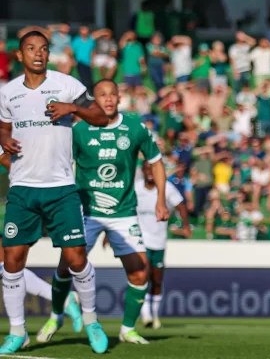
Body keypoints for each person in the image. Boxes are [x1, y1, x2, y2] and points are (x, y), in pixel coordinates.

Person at [0, 31, 110, 353]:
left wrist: (71, 109)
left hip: (61, 188)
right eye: (31, 49)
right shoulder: (8, 93)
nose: (38, 53)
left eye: (44, 49)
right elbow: (4, 129)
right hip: (22, 189)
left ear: (49, 55)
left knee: (77, 258)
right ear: (19, 56)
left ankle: (91, 321)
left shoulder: (67, 85)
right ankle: (17, 332)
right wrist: (4, 141)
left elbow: (101, 117)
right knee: (12, 261)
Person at [38, 79, 169, 345]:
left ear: (119, 98)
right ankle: (56, 314)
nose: (108, 99)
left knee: (140, 272)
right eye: (102, 95)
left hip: (123, 213)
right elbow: (60, 168)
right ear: (94, 101)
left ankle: (128, 329)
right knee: (65, 267)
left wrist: (161, 200)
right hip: (86, 212)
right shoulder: (80, 130)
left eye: (112, 94)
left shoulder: (134, 128)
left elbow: (156, 163)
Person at [0, 152, 83, 331]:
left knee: (8, 264)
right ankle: (63, 299)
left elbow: (10, 164)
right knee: (5, 266)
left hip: (13, 200)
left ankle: (20, 329)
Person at [138, 161, 191, 330]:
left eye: (152, 169)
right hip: (140, 240)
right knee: (143, 275)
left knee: (157, 279)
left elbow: (181, 206)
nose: (150, 172)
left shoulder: (166, 188)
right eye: (147, 169)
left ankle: (154, 315)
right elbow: (123, 207)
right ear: (143, 171)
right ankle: (145, 314)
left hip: (159, 240)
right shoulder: (136, 188)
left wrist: (186, 225)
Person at [71, 26, 96, 90]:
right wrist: (73, 59)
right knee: (83, 77)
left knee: (90, 78)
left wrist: (92, 60)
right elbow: (72, 51)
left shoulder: (91, 40)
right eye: (83, 30)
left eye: (85, 30)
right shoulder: (76, 40)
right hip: (80, 61)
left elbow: (93, 51)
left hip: (88, 62)